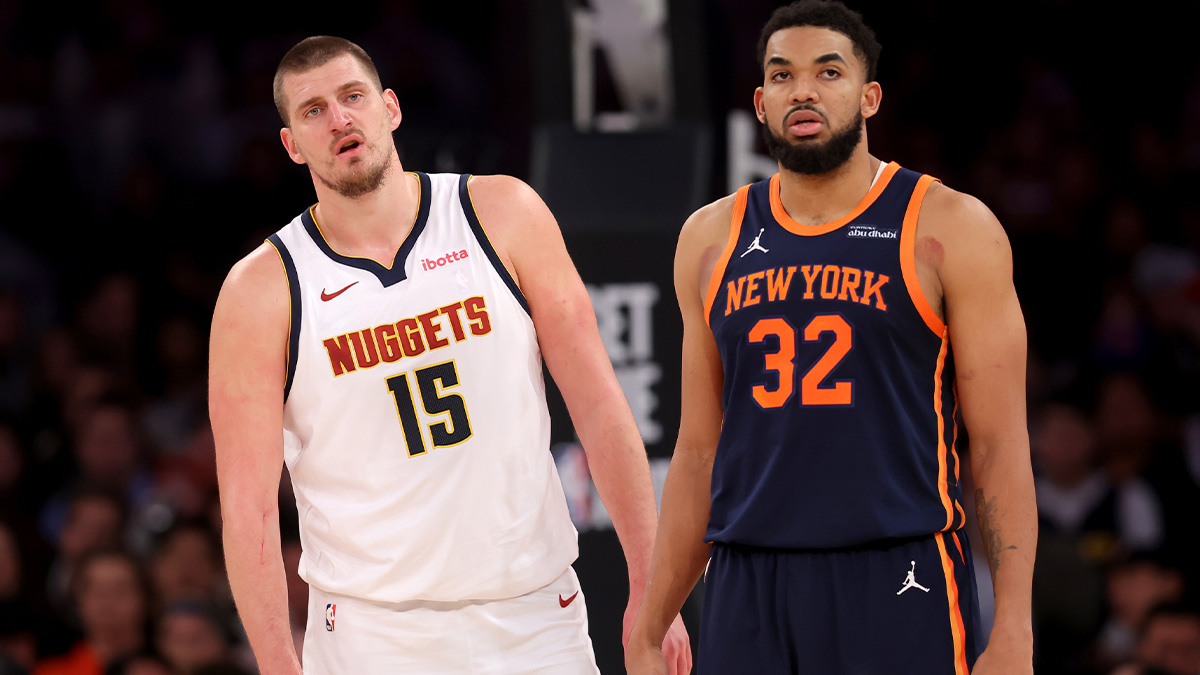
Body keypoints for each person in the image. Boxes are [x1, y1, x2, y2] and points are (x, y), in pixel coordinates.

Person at [208, 36, 690, 674]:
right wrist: (276, 662)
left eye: (352, 97)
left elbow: (600, 403)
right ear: (292, 144)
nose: (340, 120)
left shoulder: (500, 212)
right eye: (314, 111)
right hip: (370, 635)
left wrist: (654, 593)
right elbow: (248, 508)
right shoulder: (260, 291)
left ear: (391, 108)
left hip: (535, 612)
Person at [626, 2, 1036, 673]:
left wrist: (1014, 626)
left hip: (899, 570)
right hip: (748, 577)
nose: (804, 91)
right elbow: (699, 452)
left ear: (869, 96)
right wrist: (652, 619)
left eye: (828, 72)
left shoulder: (952, 226)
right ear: (761, 102)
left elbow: (996, 446)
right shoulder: (709, 237)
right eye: (782, 76)